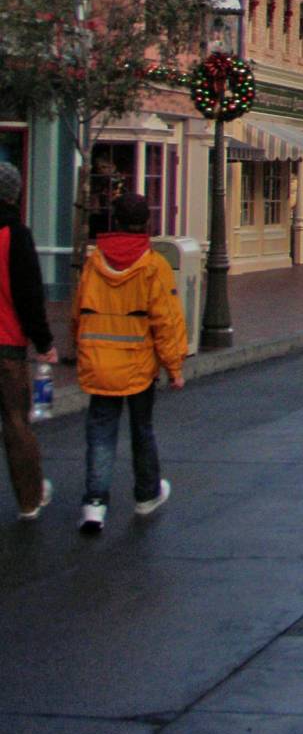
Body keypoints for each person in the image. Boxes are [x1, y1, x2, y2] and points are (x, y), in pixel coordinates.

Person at [74, 192, 186, 532]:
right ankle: (146, 493)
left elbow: (78, 311)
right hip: (138, 362)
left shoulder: (94, 262)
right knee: (142, 429)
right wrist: (174, 367)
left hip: (99, 360)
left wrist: (76, 349)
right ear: (146, 224)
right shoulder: (154, 265)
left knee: (101, 433)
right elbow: (166, 321)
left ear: (115, 222)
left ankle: (95, 503)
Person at [0, 161, 56, 520]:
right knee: (16, 422)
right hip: (7, 345)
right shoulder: (15, 236)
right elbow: (28, 295)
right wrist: (44, 342)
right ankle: (30, 498)